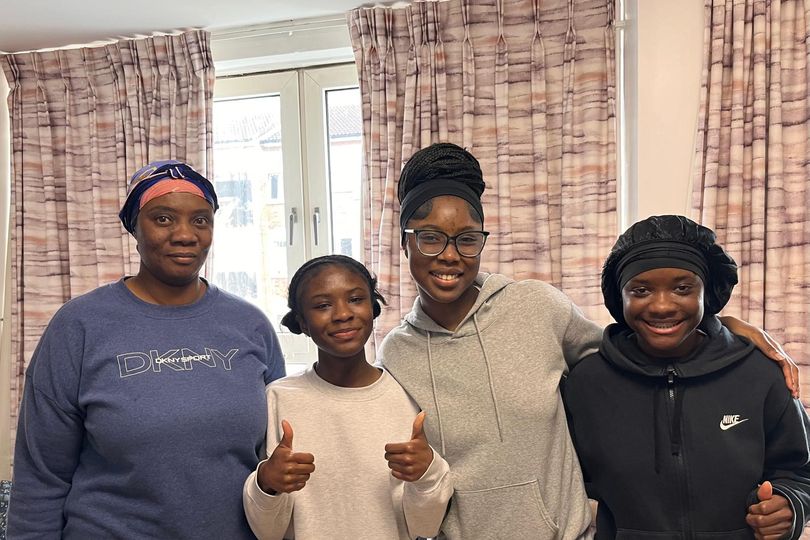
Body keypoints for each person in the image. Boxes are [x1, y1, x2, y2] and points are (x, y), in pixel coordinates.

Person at [377, 142, 801, 539]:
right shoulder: (396, 354)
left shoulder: (538, 308)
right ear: (404, 241)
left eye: (467, 238)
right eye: (429, 237)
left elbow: (634, 352)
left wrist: (718, 325)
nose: (449, 255)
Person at [8, 160, 286, 539]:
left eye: (200, 220)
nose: (185, 235)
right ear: (134, 227)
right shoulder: (79, 326)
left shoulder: (250, 326)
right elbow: (41, 476)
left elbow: (274, 463)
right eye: (164, 219)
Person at [563, 215, 810, 539]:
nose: (662, 305)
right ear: (618, 297)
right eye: (640, 290)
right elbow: (560, 479)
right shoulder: (588, 385)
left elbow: (800, 471)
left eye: (682, 288)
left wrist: (790, 505)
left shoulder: (758, 374)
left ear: (707, 293)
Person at [242, 255, 453, 539]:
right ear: (302, 323)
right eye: (322, 305)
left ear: (373, 307)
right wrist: (267, 483)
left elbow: (425, 526)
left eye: (355, 299)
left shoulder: (407, 396)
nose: (342, 314)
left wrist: (426, 473)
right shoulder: (278, 398)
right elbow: (268, 531)